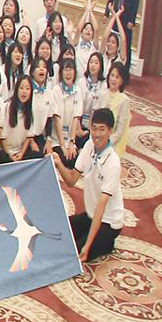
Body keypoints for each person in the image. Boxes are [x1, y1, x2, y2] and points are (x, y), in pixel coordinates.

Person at [50, 106, 125, 262]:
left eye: (102, 129)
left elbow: (101, 207)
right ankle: (97, 240)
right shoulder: (89, 146)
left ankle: (105, 243)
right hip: (92, 215)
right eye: (94, 128)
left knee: (75, 251)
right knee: (60, 230)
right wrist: (58, 163)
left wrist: (88, 246)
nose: (97, 134)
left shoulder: (113, 163)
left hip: (109, 222)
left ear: (110, 131)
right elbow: (71, 181)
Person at [106, 0, 140, 75]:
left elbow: (136, 2)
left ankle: (125, 74)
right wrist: (106, 13)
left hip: (127, 19)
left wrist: (132, 20)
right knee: (113, 41)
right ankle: (111, 69)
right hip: (115, 16)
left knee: (126, 45)